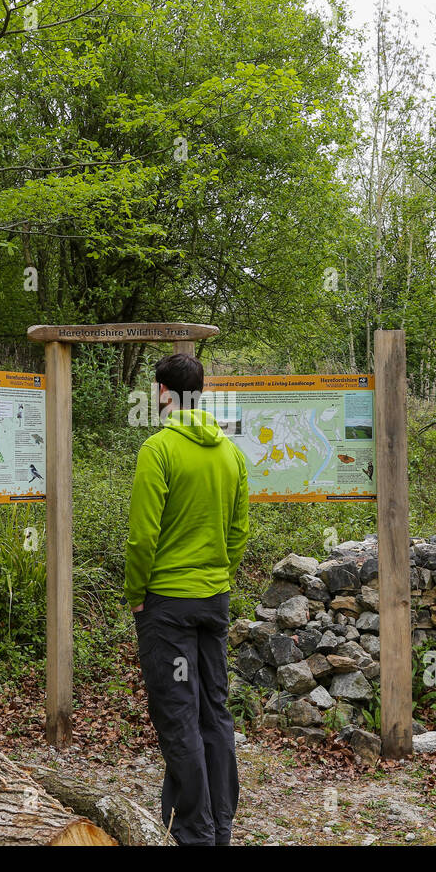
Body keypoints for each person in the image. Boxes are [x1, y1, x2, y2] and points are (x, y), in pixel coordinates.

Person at [125, 352, 250, 845]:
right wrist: (217, 575)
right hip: (212, 602)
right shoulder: (231, 453)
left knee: (178, 712)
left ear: (162, 392)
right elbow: (239, 532)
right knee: (214, 711)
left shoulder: (159, 450)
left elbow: (142, 536)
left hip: (167, 606)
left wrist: (138, 593)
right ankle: (221, 826)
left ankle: (195, 833)